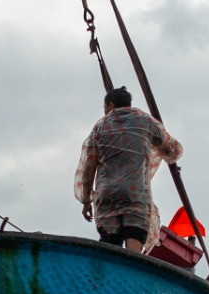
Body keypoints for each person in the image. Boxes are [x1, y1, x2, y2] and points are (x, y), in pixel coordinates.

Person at [73, 86, 183, 253]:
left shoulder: (99, 128)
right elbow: (171, 150)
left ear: (110, 105)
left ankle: (111, 274)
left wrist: (87, 199)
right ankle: (131, 270)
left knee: (110, 244)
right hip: (135, 193)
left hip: (106, 194)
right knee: (134, 236)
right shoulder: (146, 121)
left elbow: (89, 167)